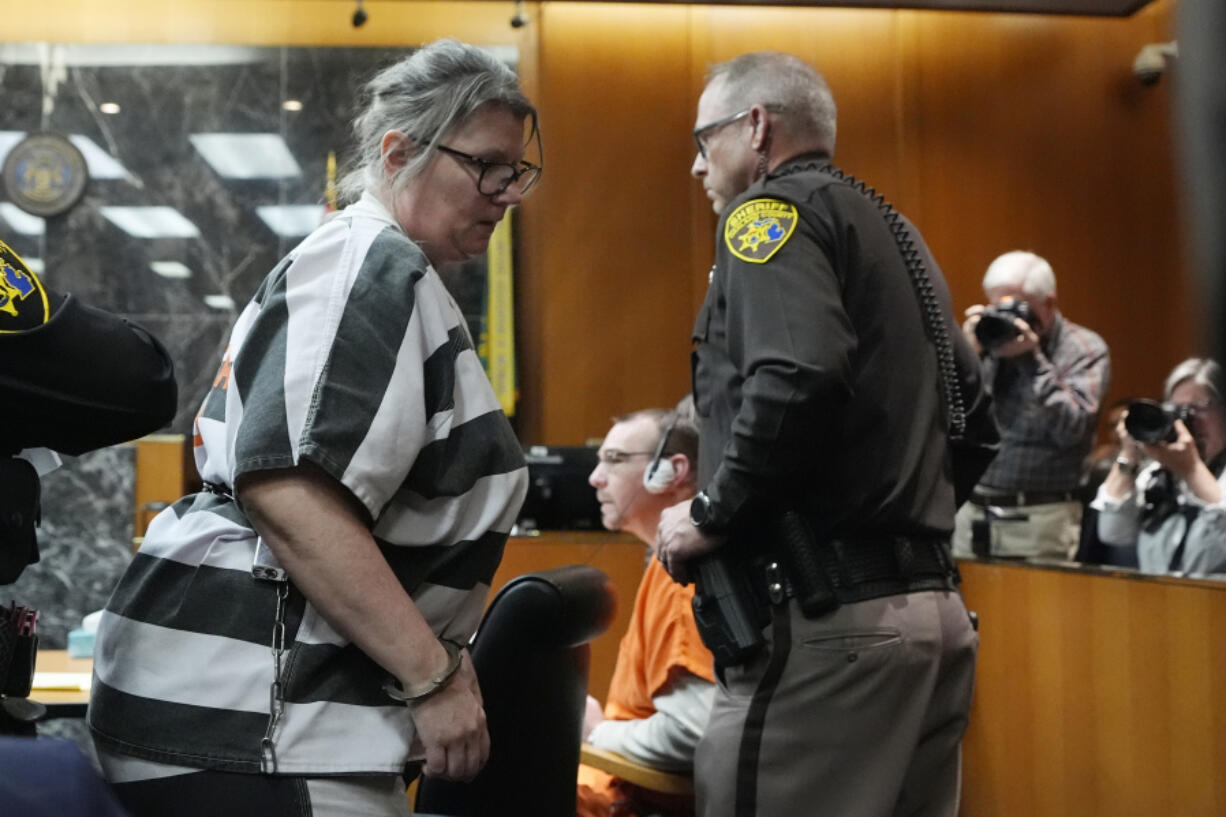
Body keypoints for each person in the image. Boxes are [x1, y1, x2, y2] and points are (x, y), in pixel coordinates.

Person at [87, 40, 540, 817]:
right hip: (254, 717)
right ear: (398, 151)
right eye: (486, 166)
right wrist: (432, 675)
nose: (506, 193)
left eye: (517, 172)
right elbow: (288, 489)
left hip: (280, 716)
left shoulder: (388, 268)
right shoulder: (365, 263)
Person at [655, 51, 998, 817]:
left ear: (757, 127)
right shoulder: (894, 229)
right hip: (931, 621)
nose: (697, 166)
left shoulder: (764, 216)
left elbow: (797, 375)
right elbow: (976, 415)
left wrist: (713, 511)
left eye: (705, 141)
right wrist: (896, 517)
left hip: (827, 631)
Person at [578, 406, 714, 817]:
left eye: (615, 460)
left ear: (673, 470)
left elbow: (692, 732)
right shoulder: (663, 563)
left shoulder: (683, 578)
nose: (595, 477)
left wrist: (596, 733)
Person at [953, 251, 1110, 560]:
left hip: (1042, 521)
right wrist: (967, 355)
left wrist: (1031, 361)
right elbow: (947, 416)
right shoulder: (986, 344)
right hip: (971, 515)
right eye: (997, 305)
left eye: (1015, 305)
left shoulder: (1083, 349)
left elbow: (1073, 429)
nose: (1006, 315)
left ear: (1048, 304)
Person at [1092, 358, 1226, 576]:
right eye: (1177, 409)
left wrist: (1191, 470)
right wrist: (1129, 453)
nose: (1188, 420)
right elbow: (1112, 532)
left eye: (1200, 407)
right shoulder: (1157, 476)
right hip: (1160, 602)